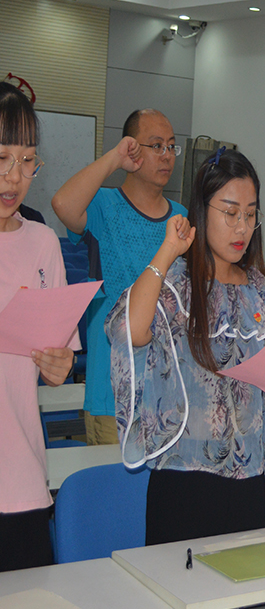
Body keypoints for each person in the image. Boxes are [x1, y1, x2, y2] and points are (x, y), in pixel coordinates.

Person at [105, 148, 265, 609]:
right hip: (185, 484)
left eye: (251, 215)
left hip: (246, 486)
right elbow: (128, 331)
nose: (242, 227)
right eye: (230, 213)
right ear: (201, 210)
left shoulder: (259, 290)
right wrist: (167, 251)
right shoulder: (176, 284)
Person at [52, 108, 187, 446]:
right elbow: (63, 204)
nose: (167, 155)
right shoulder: (103, 205)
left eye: (171, 146)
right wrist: (114, 158)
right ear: (132, 148)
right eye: (156, 145)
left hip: (167, 394)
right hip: (112, 393)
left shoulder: (182, 218)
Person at [0, 81, 77, 572]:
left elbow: (59, 363)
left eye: (28, 161)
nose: (14, 176)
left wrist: (58, 364)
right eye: (2, 158)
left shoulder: (44, 243)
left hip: (21, 478)